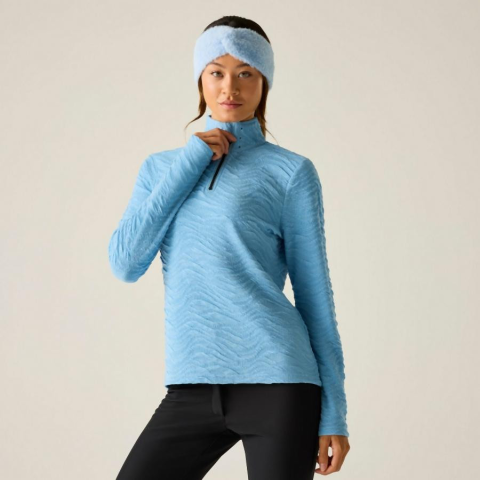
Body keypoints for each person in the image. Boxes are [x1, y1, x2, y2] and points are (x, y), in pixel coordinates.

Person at [109, 15, 350, 480]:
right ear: (200, 79)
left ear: (264, 83)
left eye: (246, 73)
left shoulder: (290, 172)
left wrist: (334, 412)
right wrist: (193, 158)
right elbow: (125, 263)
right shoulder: (160, 168)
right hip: (192, 384)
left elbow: (315, 296)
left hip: (280, 379)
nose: (230, 87)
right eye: (216, 72)